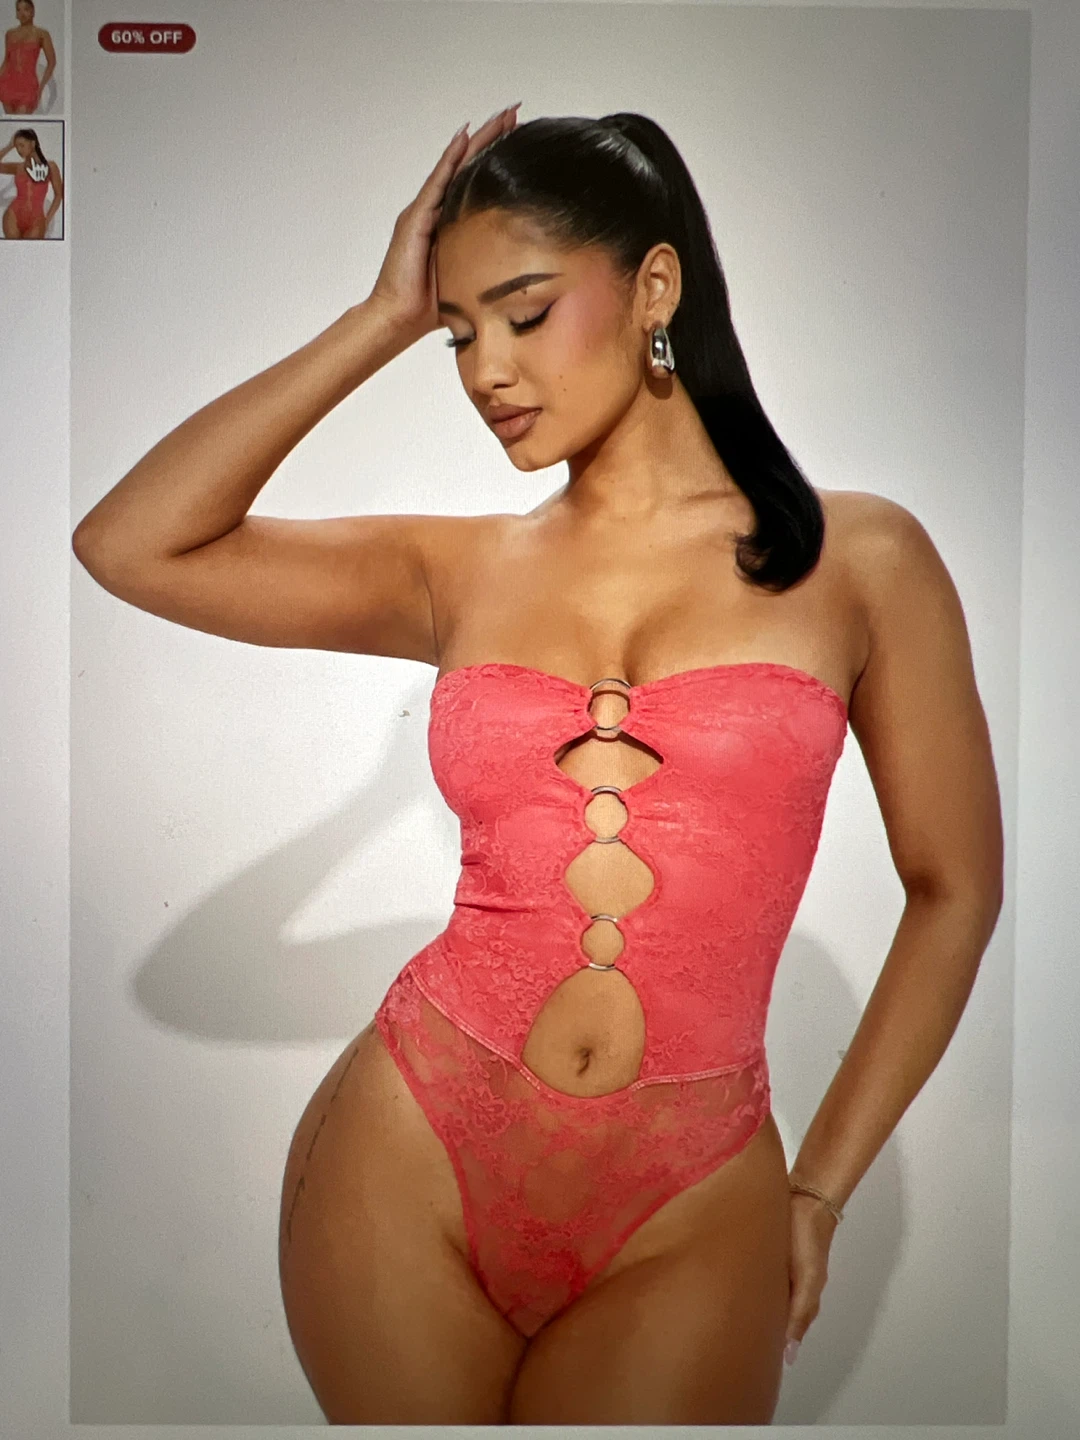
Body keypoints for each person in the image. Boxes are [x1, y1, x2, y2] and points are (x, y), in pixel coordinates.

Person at [71, 106, 1004, 1424]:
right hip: (413, 1155)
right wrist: (380, 319)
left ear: (655, 287)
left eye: (522, 313)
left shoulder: (860, 560)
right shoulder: (457, 568)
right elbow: (129, 543)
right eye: (459, 335)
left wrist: (818, 1189)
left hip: (690, 1203)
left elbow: (955, 889)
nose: (485, 371)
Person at [1, 126, 61, 238]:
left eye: (22, 145)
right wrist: (9, 146)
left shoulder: (50, 166)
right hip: (13, 215)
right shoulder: (18, 167)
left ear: (32, 144)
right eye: (16, 146)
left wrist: (47, 220)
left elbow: (58, 195)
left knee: (30, 248)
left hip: (37, 218)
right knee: (12, 248)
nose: (19, 150)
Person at [0, 0, 55, 115]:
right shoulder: (10, 34)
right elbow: (7, 61)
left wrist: (41, 86)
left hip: (28, 85)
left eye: (26, 9)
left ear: (33, 12)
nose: (22, 13)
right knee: (11, 122)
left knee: (22, 120)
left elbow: (52, 62)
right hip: (7, 83)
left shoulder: (41, 34)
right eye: (18, 10)